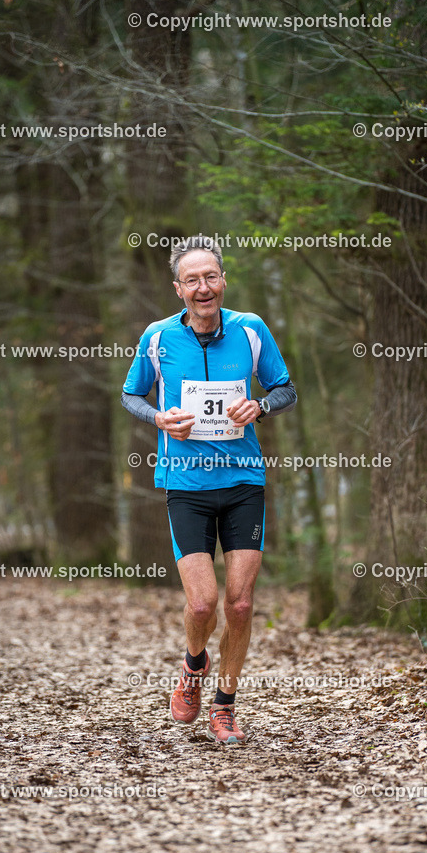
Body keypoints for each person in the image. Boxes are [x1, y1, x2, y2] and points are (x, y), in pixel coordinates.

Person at [121, 234, 296, 743]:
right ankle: (194, 665)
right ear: (179, 289)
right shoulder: (157, 338)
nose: (204, 287)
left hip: (243, 482)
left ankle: (225, 706)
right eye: (192, 280)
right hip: (186, 484)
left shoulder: (251, 330)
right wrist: (158, 417)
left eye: (211, 277)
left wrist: (260, 406)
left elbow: (285, 388)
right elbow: (131, 394)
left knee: (239, 604)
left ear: (224, 281)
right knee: (202, 604)